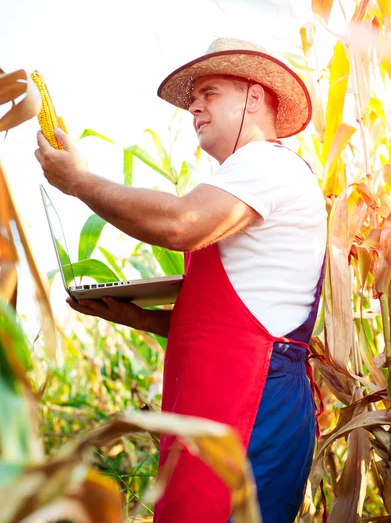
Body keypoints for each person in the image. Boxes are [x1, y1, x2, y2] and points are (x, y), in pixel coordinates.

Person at [35, 38, 327, 523]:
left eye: (208, 93)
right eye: (194, 97)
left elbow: (180, 225)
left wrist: (80, 182)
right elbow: (228, 325)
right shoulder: (247, 179)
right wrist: (137, 316)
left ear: (253, 97)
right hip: (225, 394)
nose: (193, 106)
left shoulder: (266, 163)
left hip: (253, 397)